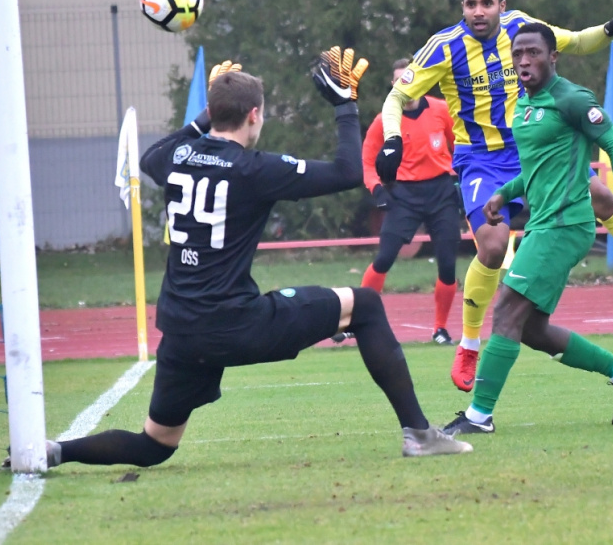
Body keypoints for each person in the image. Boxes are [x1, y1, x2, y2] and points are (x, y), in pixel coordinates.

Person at [42, 50, 472, 468]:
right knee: (366, 305)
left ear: (214, 112)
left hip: (182, 330)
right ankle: (419, 435)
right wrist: (345, 106)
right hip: (236, 324)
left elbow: (152, 157)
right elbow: (347, 172)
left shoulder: (176, 157)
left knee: (155, 445)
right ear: (253, 115)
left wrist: (207, 114)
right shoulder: (253, 169)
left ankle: (56, 451)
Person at [374, 0, 613, 393]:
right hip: (481, 160)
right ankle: (468, 344)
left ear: (501, 5)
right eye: (470, 4)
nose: (478, 11)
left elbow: (574, 42)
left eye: (486, 3)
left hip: (532, 147)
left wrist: (610, 29)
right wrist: (393, 139)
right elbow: (396, 97)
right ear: (462, 5)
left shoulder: (521, 29)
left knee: (602, 198)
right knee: (493, 246)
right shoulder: (444, 47)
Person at [443, 23, 613, 436]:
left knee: (505, 309)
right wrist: (504, 194)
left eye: (533, 53)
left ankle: (479, 416)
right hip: (542, 223)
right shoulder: (524, 104)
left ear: (553, 56)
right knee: (531, 329)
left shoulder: (572, 99)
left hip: (565, 223)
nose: (524, 60)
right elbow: (538, 167)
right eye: (518, 53)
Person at [334, 58, 461, 345]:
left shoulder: (441, 110)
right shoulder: (385, 119)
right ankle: (355, 320)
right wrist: (377, 189)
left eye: (412, 78)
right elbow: (367, 161)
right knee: (384, 258)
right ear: (393, 85)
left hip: (441, 193)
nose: (408, 85)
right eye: (401, 80)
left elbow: (461, 146)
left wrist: (464, 178)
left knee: (447, 265)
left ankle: (440, 329)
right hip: (404, 196)